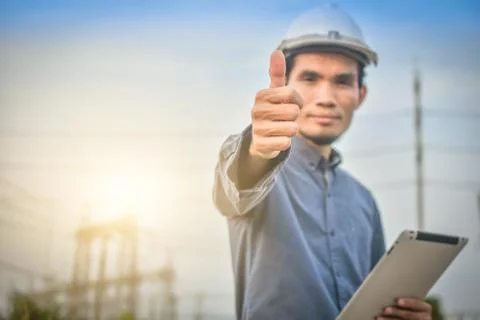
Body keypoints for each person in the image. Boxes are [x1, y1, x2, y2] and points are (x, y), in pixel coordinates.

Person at [212, 3, 433, 320]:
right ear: (286, 87)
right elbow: (237, 178)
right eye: (310, 78)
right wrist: (257, 150)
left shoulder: (364, 201)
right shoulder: (258, 165)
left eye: (342, 81)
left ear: (361, 94)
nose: (326, 97)